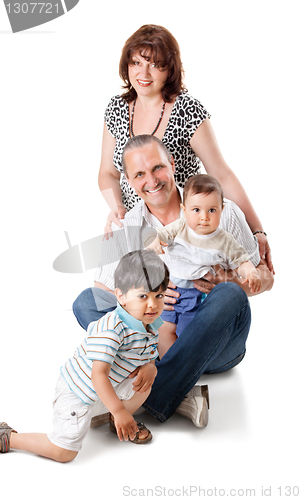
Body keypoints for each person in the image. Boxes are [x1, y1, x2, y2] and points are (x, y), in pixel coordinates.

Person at [73, 135, 274, 427]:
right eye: (140, 174)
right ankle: (182, 391)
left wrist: (229, 281)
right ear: (129, 181)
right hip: (159, 334)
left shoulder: (220, 210)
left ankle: (146, 397)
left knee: (230, 294)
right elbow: (105, 292)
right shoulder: (128, 226)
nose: (151, 181)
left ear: (173, 165)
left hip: (215, 345)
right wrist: (144, 298)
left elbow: (266, 278)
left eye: (157, 168)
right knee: (86, 303)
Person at [98, 24, 274, 273]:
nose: (144, 73)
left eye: (155, 64)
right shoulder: (116, 108)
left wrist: (256, 229)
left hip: (185, 226)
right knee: (112, 295)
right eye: (136, 63)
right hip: (138, 227)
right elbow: (107, 172)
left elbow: (220, 174)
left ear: (170, 69)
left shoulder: (187, 110)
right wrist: (118, 209)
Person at [0, 250, 169, 461]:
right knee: (64, 453)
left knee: (145, 381)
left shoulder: (150, 322)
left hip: (108, 387)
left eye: (159, 296)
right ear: (121, 296)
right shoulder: (112, 329)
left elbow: (149, 353)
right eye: (143, 296)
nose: (152, 305)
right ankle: (8, 437)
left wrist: (150, 367)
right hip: (80, 390)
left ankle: (114, 420)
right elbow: (97, 375)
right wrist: (119, 410)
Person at [147, 174, 262, 357]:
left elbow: (242, 261)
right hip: (172, 291)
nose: (204, 217)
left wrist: (251, 273)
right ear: (184, 210)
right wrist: (154, 243)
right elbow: (159, 234)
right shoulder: (181, 226)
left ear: (221, 210)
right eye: (196, 210)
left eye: (212, 210)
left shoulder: (224, 240)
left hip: (197, 294)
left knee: (187, 333)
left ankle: (185, 365)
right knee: (164, 330)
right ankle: (169, 366)